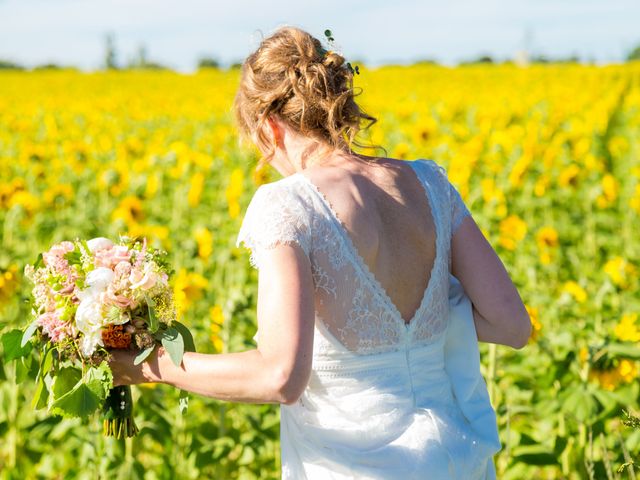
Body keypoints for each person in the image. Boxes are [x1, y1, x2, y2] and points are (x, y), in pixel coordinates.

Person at [109, 26, 532, 479]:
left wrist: (149, 366)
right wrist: (421, 331)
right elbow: (512, 325)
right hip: (456, 455)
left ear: (269, 125)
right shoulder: (430, 182)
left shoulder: (288, 203)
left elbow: (280, 376)